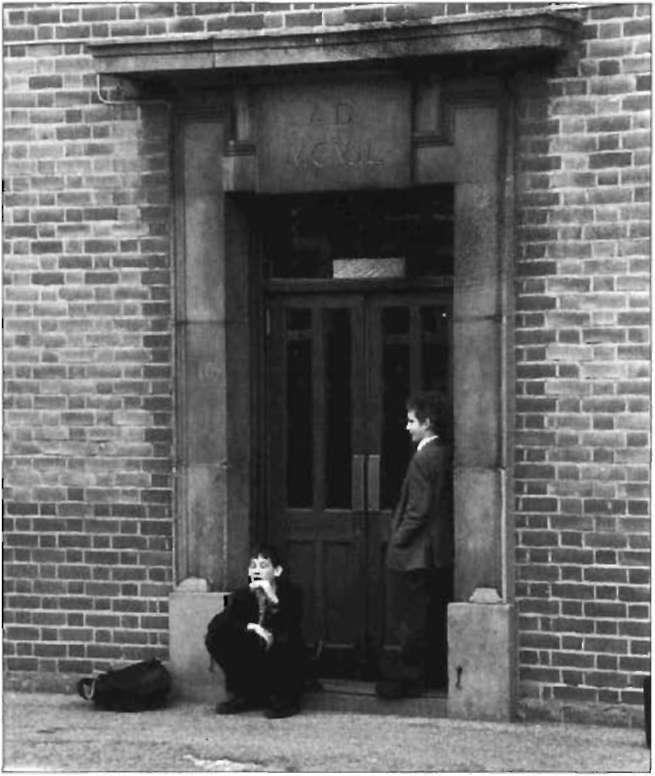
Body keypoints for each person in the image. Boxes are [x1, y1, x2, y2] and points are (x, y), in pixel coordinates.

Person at [376, 390, 453, 700]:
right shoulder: (443, 453)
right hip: (434, 551)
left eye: (411, 421)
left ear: (427, 422)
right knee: (426, 615)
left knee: (411, 619)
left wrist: (397, 539)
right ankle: (428, 675)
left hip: (415, 554)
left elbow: (418, 510)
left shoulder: (423, 458)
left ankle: (410, 678)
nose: (407, 427)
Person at [205, 545, 305, 718]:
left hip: (283, 654)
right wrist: (251, 627)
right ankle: (245, 694)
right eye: (253, 566)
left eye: (263, 566)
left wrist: (273, 599)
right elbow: (216, 625)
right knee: (215, 637)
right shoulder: (241, 595)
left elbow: (293, 625)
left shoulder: (292, 593)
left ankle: (285, 699)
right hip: (255, 653)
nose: (256, 571)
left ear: (277, 571)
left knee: (286, 640)